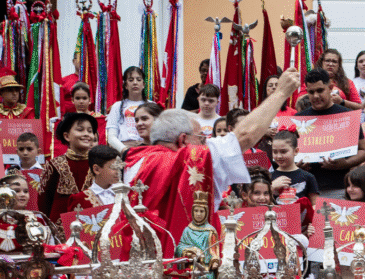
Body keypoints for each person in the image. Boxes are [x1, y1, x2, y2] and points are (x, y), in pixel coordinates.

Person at [124, 68, 301, 255]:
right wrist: (281, 92)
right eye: (201, 137)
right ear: (183, 140)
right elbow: (245, 136)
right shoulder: (189, 159)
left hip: (140, 265)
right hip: (182, 267)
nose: (204, 143)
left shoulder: (135, 161)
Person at [295, 69, 365, 198]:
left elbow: (363, 151)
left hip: (339, 188)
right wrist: (296, 165)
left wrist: (345, 164)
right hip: (306, 190)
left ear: (330, 88)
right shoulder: (298, 119)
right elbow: (290, 153)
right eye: (311, 92)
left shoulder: (346, 115)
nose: (316, 96)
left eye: (320, 90)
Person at [39, 112, 98, 220]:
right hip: (59, 230)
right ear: (66, 136)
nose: (86, 134)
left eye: (90, 131)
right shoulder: (54, 165)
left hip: (92, 227)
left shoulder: (98, 164)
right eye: (80, 130)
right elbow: (44, 201)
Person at [107, 66, 149, 153]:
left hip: (147, 150)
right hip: (123, 150)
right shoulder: (117, 106)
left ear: (143, 85)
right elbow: (111, 137)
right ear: (126, 85)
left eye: (138, 79)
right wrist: (124, 150)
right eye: (130, 80)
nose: (135, 83)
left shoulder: (151, 105)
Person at [270, 130, 319, 204]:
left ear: (296, 151)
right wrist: (271, 187)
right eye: (275, 152)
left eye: (283, 151)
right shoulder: (268, 177)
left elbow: (315, 205)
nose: (279, 156)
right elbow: (259, 204)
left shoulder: (308, 177)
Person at [68, 145, 122, 210]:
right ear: (97, 169)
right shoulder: (79, 199)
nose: (118, 172)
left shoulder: (124, 194)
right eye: (113, 168)